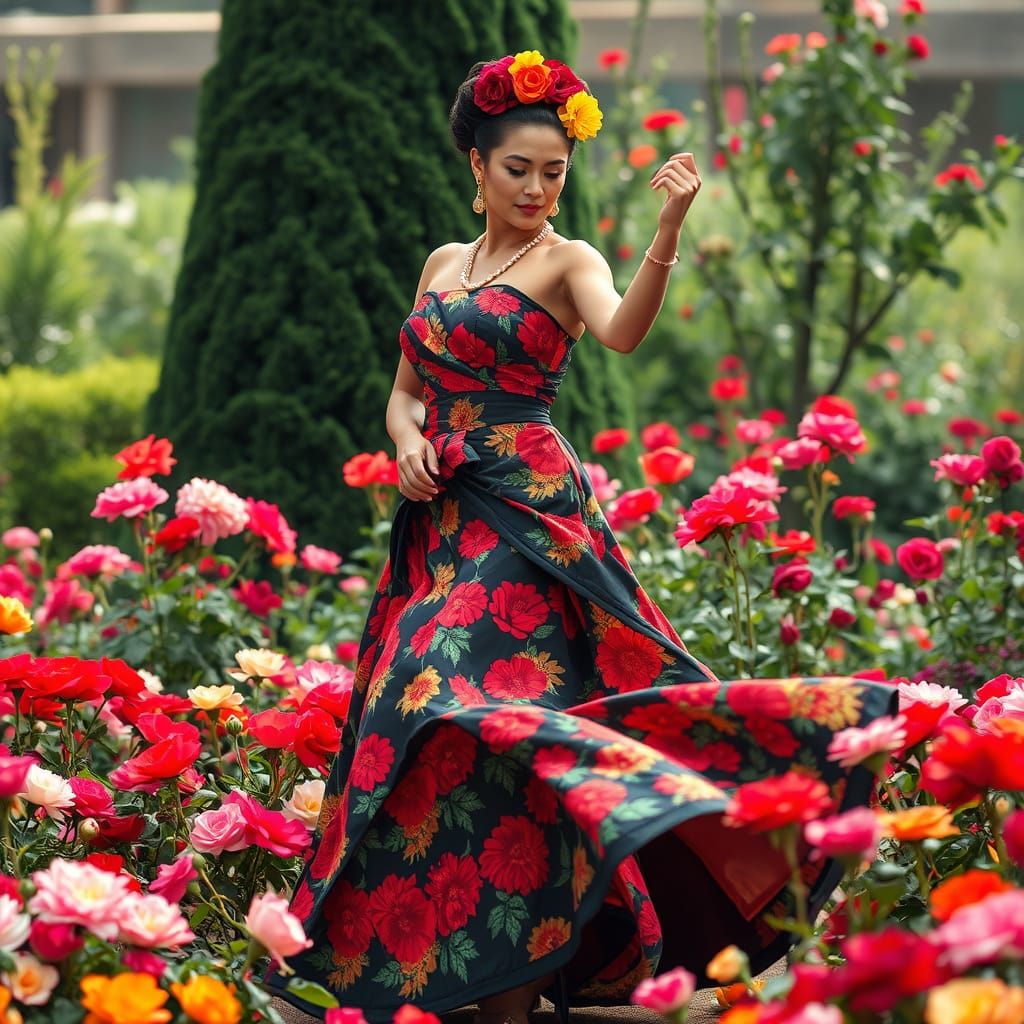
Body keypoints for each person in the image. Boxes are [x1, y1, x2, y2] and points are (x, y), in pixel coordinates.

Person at [265, 51, 893, 1024]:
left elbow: (624, 332)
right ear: (475, 167)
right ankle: (457, 965)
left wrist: (669, 229)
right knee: (412, 714)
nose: (535, 186)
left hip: (527, 514)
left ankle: (521, 974)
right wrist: (403, 446)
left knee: (480, 703)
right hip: (439, 520)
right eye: (517, 168)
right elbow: (405, 392)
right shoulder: (441, 264)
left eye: (553, 170)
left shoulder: (570, 261)